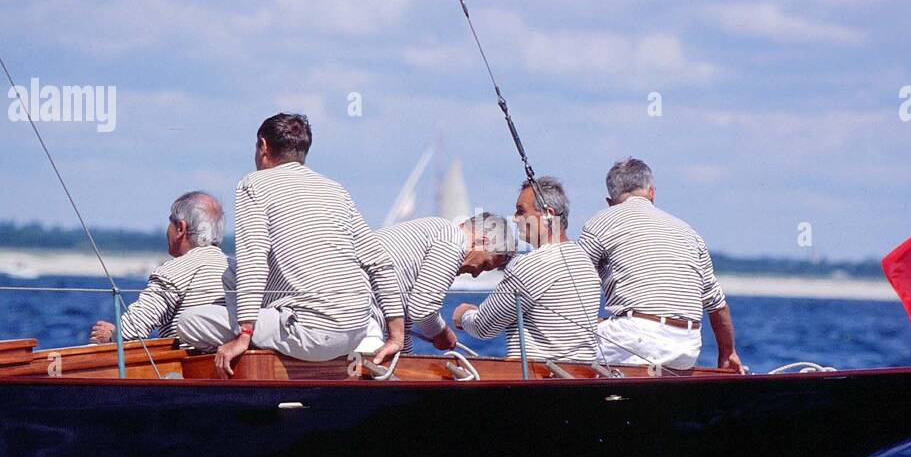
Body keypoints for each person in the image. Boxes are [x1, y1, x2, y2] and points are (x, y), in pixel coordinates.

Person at [175, 113, 405, 375]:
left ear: (263, 145)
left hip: (310, 335)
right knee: (232, 273)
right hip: (355, 331)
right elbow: (379, 262)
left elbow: (254, 260)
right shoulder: (335, 189)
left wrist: (244, 336)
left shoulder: (254, 184)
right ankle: (266, 329)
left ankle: (256, 343)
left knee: (189, 322)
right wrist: (396, 338)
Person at [577, 157, 742, 372]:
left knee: (565, 340)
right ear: (651, 193)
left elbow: (573, 275)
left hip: (636, 339)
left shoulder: (602, 221)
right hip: (687, 347)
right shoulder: (688, 232)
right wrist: (728, 354)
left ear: (610, 201)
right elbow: (717, 305)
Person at [452, 176, 600, 363]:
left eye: (521, 211)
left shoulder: (532, 265)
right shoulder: (584, 260)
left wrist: (464, 314)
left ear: (547, 215)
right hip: (583, 375)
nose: (514, 219)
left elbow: (483, 326)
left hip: (540, 380)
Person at [89, 191, 233, 346]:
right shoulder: (236, 268)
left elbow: (133, 329)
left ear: (180, 228)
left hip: (189, 367)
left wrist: (112, 335)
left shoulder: (174, 271)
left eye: (170, 222)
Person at [359, 212, 516, 355]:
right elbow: (422, 309)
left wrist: (407, 359)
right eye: (485, 265)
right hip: (360, 316)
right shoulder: (453, 239)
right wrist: (442, 332)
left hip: (351, 313)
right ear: (482, 241)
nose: (476, 274)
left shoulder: (435, 231)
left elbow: (404, 320)